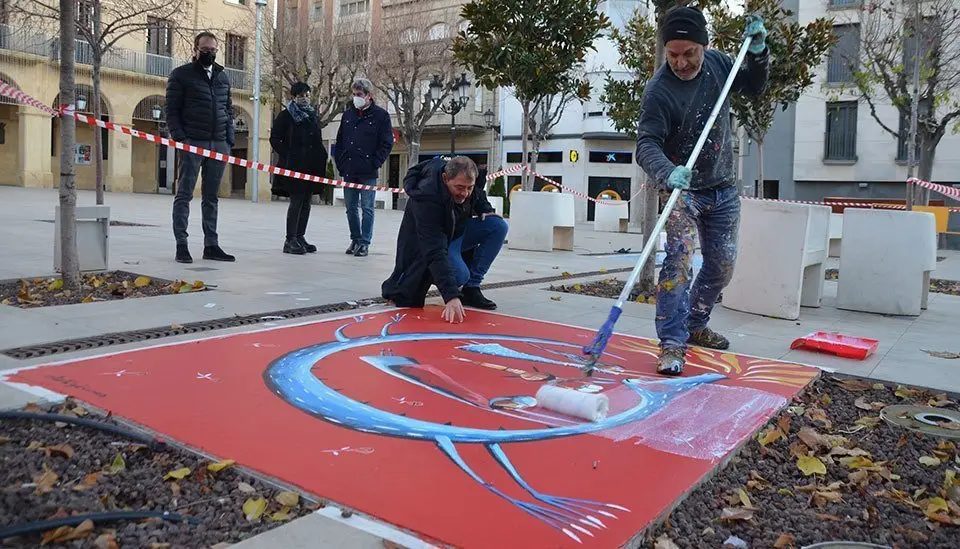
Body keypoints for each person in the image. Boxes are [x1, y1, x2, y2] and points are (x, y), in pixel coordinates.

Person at [634, 7, 769, 375]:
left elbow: (754, 87)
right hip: (683, 191)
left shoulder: (719, 64)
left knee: (722, 265)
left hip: (722, 186)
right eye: (673, 54)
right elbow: (646, 144)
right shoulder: (659, 91)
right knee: (677, 265)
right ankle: (672, 344)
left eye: (689, 53)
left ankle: (696, 322)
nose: (680, 62)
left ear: (704, 46)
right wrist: (667, 171)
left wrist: (758, 54)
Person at [381, 156, 508, 324]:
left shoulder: (466, 183)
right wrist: (451, 295)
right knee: (459, 275)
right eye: (460, 187)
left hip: (457, 232)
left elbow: (476, 191)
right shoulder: (427, 198)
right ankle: (454, 282)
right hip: (432, 241)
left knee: (498, 226)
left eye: (468, 188)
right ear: (445, 178)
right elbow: (434, 250)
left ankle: (472, 288)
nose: (464, 193)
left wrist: (483, 207)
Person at [166, 31, 236, 264]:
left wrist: (229, 140)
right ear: (195, 50)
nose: (209, 54)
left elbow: (228, 109)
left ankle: (211, 245)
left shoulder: (222, 77)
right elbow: (172, 111)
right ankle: (182, 245)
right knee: (184, 194)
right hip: (192, 142)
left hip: (218, 143)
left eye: (213, 50)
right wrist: (181, 139)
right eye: (205, 50)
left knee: (211, 197)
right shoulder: (181, 75)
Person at [334, 78, 394, 258]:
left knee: (367, 208)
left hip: (368, 171)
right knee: (351, 208)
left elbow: (386, 143)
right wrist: (341, 163)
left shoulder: (381, 116)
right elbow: (340, 141)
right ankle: (355, 239)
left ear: (369, 96)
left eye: (359, 95)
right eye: (353, 95)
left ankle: (365, 242)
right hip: (349, 169)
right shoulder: (347, 115)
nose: (355, 98)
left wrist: (375, 162)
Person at [269, 82, 329, 255]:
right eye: (301, 95)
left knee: (306, 202)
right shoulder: (286, 116)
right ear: (293, 97)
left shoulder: (312, 115)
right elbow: (275, 138)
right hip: (294, 166)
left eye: (307, 95)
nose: (305, 98)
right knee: (296, 201)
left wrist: (321, 156)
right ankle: (290, 239)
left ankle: (300, 236)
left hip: (311, 166)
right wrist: (287, 154)